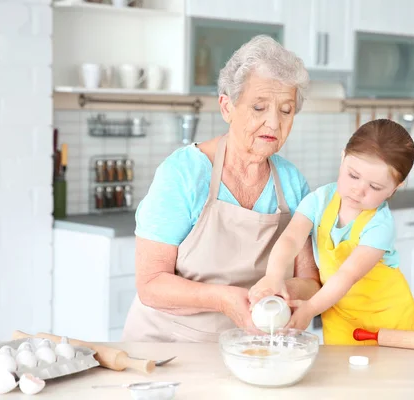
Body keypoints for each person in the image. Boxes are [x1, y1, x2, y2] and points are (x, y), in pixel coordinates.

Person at [121, 35, 321, 342]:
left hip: (250, 349)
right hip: (167, 346)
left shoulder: (292, 183)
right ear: (227, 107)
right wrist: (226, 299)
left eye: (286, 110)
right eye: (259, 107)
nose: (273, 122)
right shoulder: (183, 174)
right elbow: (151, 285)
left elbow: (310, 282)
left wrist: (281, 289)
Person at [249, 119, 414, 345]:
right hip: (340, 315)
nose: (359, 190)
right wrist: (274, 275)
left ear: (396, 188)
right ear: (342, 158)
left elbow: (347, 275)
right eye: (353, 176)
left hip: (387, 318)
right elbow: (291, 238)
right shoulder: (320, 200)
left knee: (386, 378)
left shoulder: (379, 225)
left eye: (375, 187)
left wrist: (310, 309)